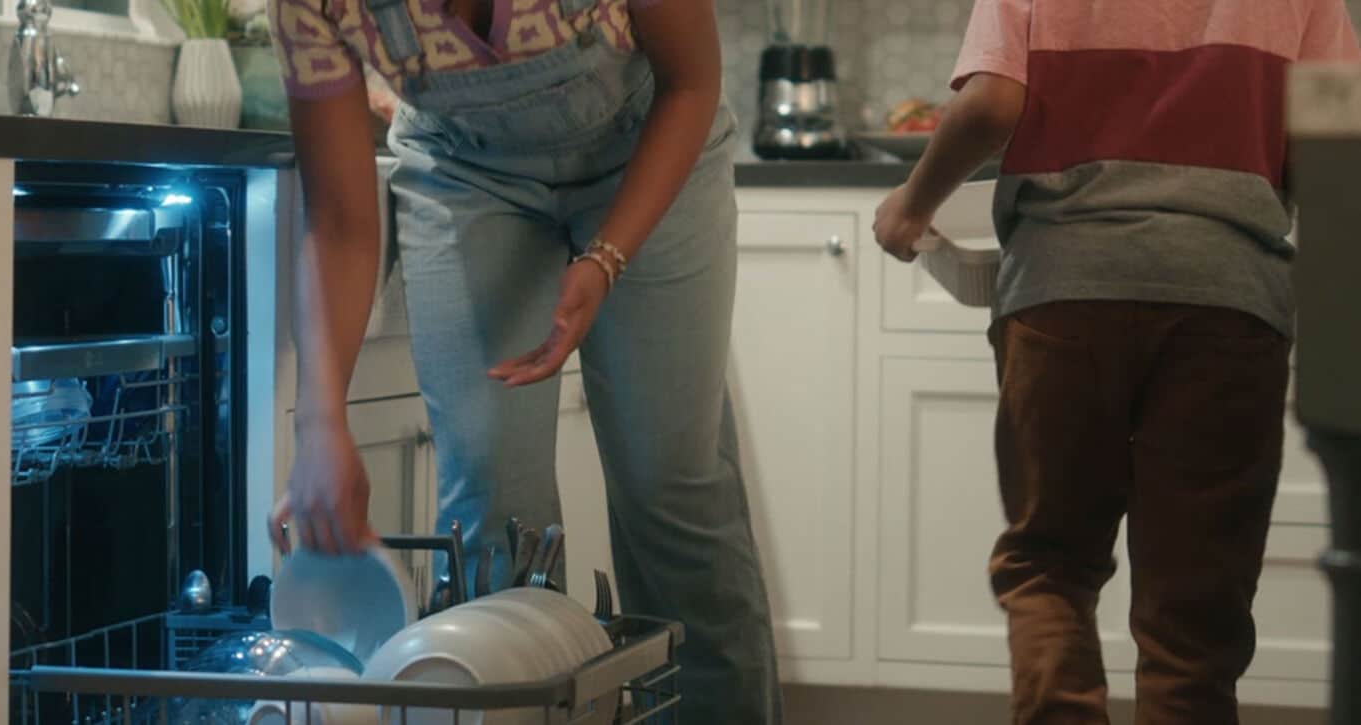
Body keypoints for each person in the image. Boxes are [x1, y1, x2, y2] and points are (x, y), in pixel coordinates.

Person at [264, 0, 782, 721]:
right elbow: (342, 220)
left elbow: (691, 82)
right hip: (465, 172)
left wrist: (605, 257)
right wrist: (319, 427)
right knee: (492, 507)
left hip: (649, 139)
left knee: (671, 489)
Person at [872, 1, 1361, 723]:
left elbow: (992, 102)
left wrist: (913, 205)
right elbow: (1337, 142)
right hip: (1229, 307)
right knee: (1194, 612)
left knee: (1050, 569)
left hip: (1064, 294)